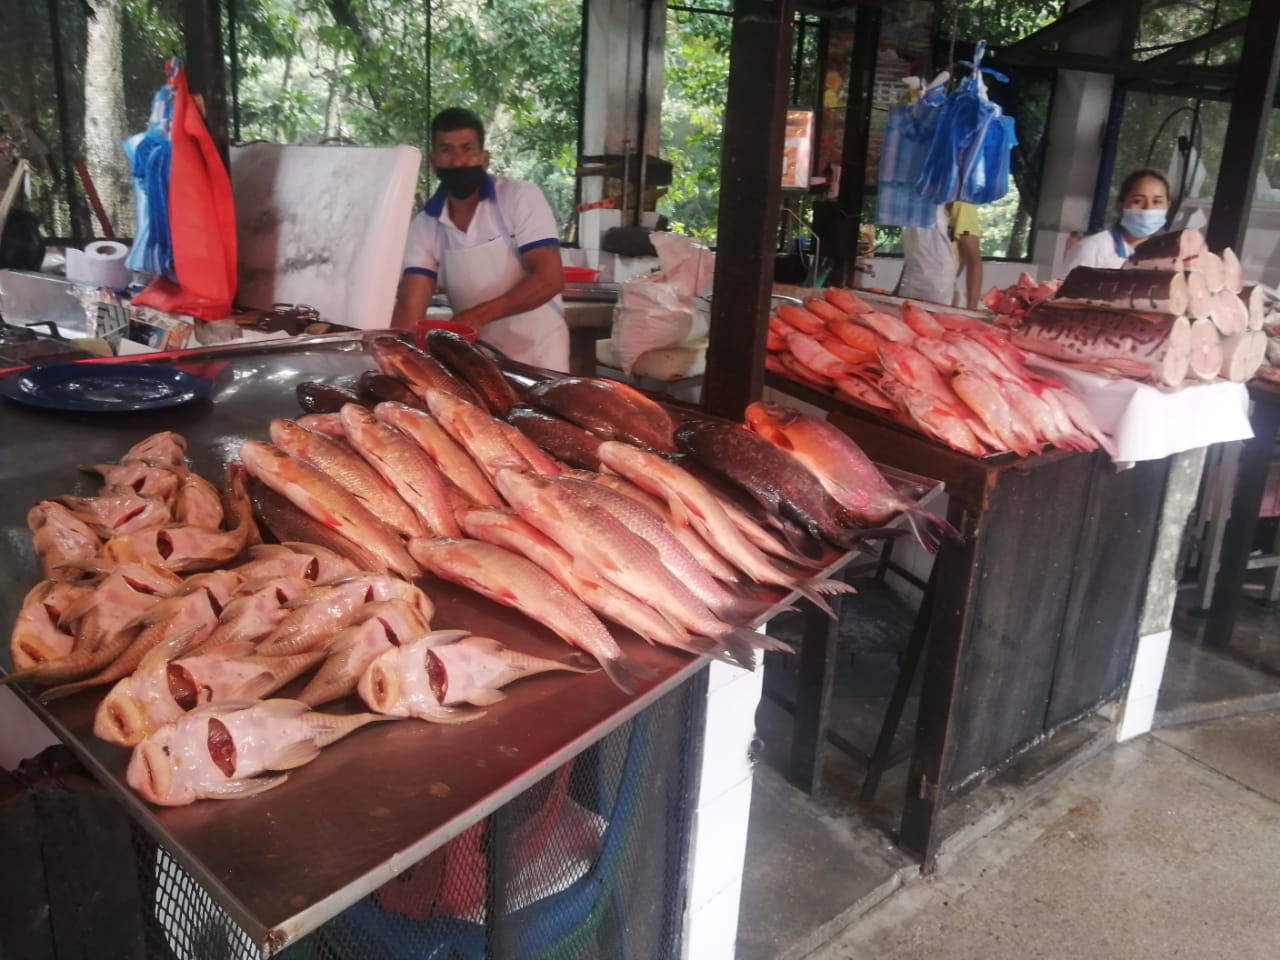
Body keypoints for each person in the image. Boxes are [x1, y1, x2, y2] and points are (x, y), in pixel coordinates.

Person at [391, 107, 568, 371]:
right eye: (447, 150)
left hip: (539, 351)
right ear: (433, 160)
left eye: (467, 149)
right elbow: (410, 307)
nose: (458, 161)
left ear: (485, 158)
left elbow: (550, 278)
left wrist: (476, 316)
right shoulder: (425, 226)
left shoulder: (519, 198)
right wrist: (393, 355)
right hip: (476, 356)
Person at [1060, 168, 1171, 275]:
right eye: (1138, 201)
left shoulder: (1170, 257)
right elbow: (1063, 292)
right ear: (1119, 205)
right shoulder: (1092, 249)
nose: (1148, 209)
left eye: (1157, 201)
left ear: (1168, 206)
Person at [897, 203, 956, 306]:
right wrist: (897, 289)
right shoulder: (911, 208)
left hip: (937, 283)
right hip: (910, 280)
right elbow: (913, 255)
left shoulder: (943, 202)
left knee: (930, 319)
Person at [949, 201, 982, 310]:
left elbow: (973, 259)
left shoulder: (961, 204)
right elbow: (914, 258)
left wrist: (971, 310)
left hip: (944, 297)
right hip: (910, 292)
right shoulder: (917, 203)